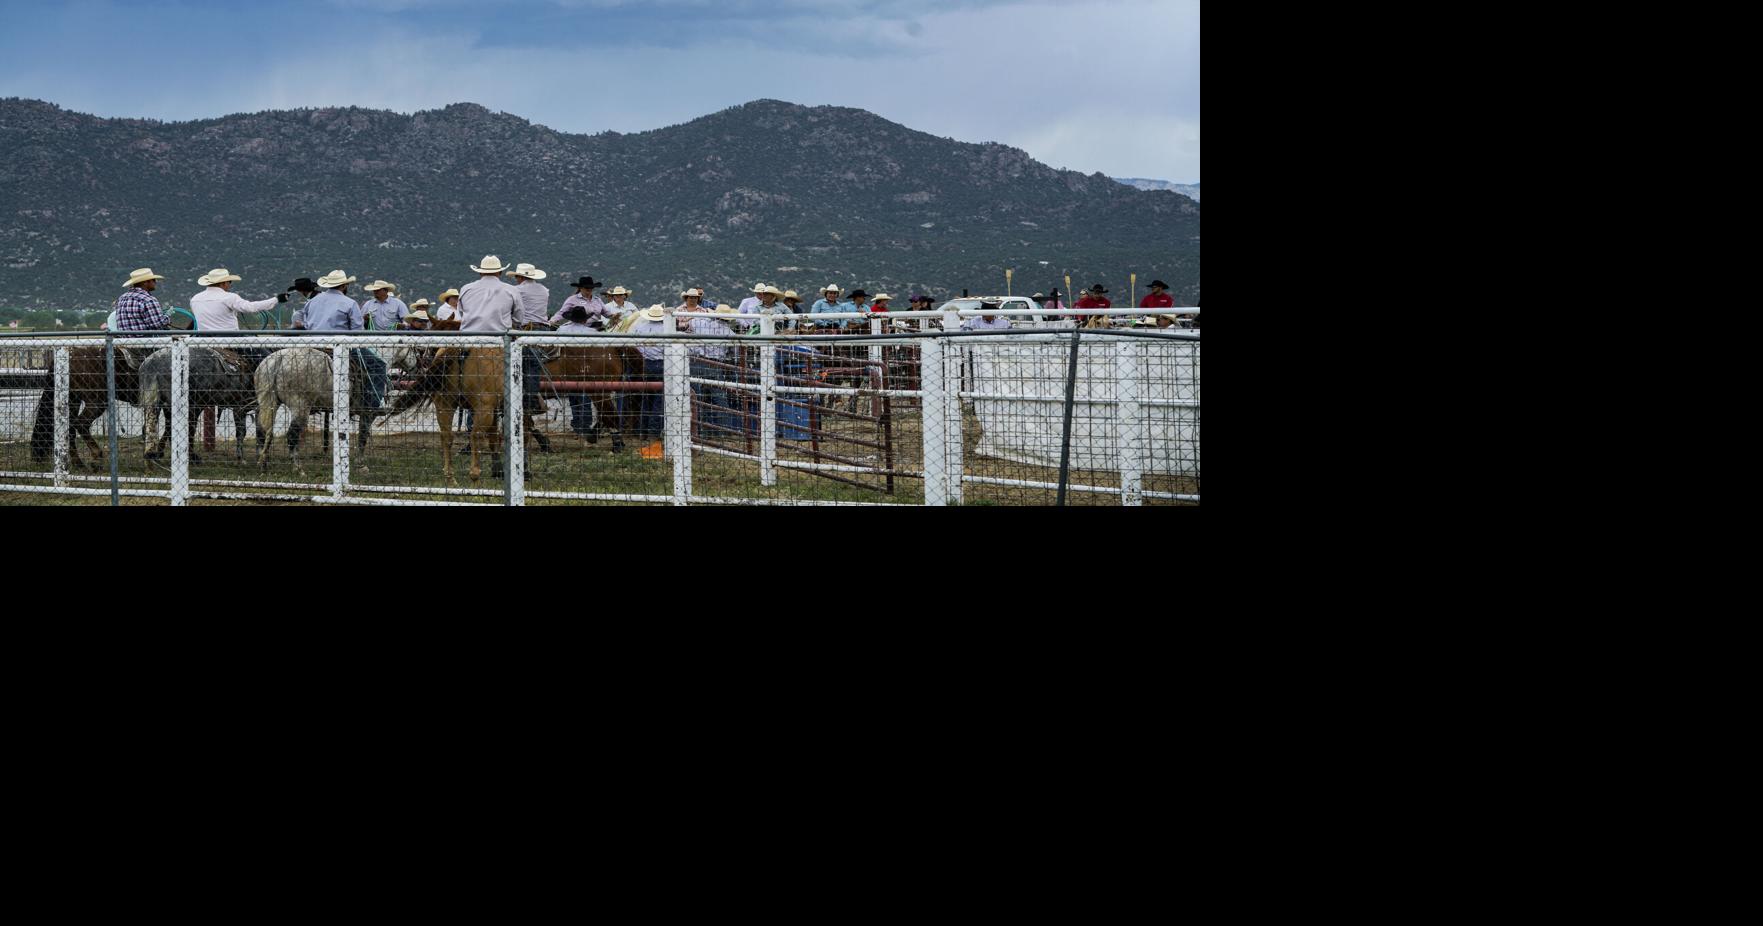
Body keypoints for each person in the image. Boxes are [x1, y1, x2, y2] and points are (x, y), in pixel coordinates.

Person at [189, 267, 286, 370]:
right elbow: (250, 307)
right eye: (229, 282)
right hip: (228, 338)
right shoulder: (229, 297)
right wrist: (276, 299)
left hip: (202, 339)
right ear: (224, 283)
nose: (229, 285)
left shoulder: (195, 299)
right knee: (266, 359)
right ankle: (268, 373)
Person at [555, 305, 596, 437]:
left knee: (573, 396)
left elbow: (556, 346)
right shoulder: (592, 332)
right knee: (584, 396)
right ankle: (584, 426)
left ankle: (577, 426)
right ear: (585, 319)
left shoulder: (562, 329)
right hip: (585, 367)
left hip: (568, 366)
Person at [629, 305, 670, 437]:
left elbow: (633, 344)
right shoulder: (666, 329)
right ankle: (654, 431)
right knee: (659, 399)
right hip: (660, 364)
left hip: (643, 364)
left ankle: (642, 430)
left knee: (645, 398)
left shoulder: (639, 327)